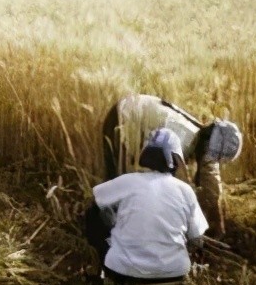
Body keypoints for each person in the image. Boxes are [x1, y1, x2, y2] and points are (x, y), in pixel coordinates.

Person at [102, 94, 242, 235]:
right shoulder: (181, 140)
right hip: (123, 120)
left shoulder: (200, 133)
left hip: (127, 109)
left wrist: (217, 220)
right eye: (211, 157)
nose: (209, 161)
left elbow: (211, 175)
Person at [85, 128, 209, 284]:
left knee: (92, 212)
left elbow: (94, 200)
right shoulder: (185, 190)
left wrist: (112, 226)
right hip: (174, 272)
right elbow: (197, 239)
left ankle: (98, 271)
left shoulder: (128, 181)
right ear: (175, 159)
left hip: (124, 271)